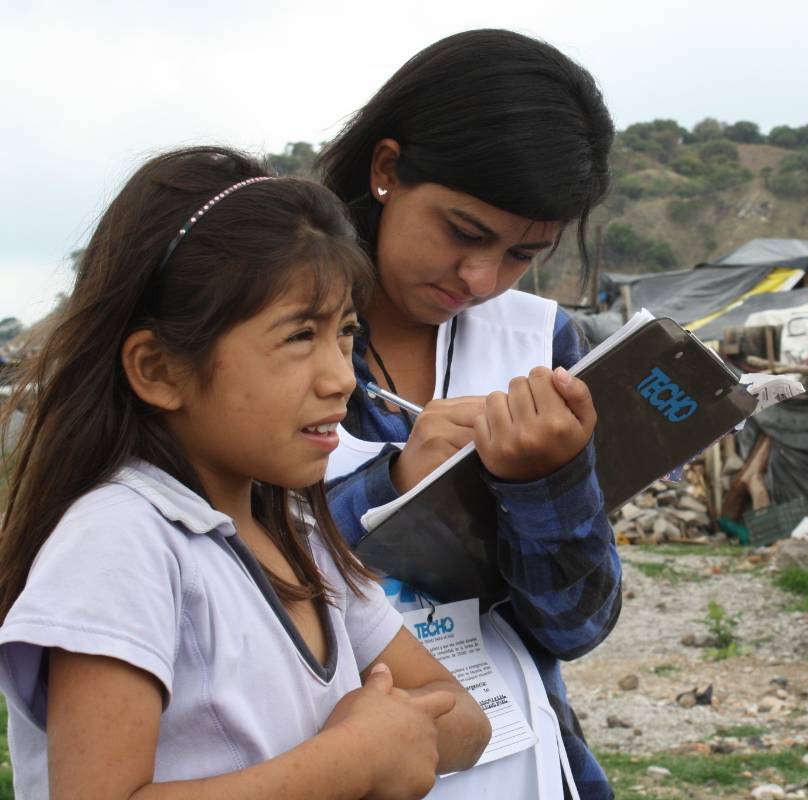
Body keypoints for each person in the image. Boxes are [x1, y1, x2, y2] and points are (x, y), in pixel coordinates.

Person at [0, 147, 491, 799]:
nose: (342, 375)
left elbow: (465, 716)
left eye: (346, 333)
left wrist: (393, 733)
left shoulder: (298, 535)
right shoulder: (121, 542)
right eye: (298, 336)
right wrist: (351, 759)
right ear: (158, 369)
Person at [318, 29, 620, 800]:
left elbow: (575, 626)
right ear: (386, 170)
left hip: (519, 762)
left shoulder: (540, 342)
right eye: (464, 232)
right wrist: (392, 487)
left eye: (523, 253)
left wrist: (550, 484)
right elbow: (220, 563)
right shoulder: (266, 324)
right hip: (317, 756)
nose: (481, 277)